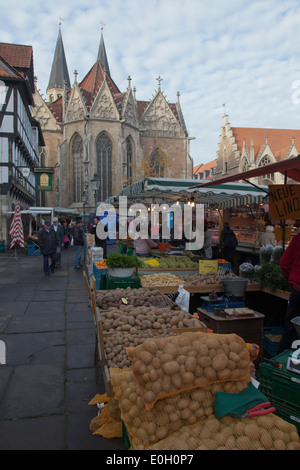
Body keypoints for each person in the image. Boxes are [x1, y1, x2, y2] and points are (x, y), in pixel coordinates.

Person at [277, 233, 300, 353]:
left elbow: (284, 263)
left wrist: (291, 280)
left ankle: (280, 363)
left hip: (297, 289)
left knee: (292, 329)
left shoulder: (298, 238)